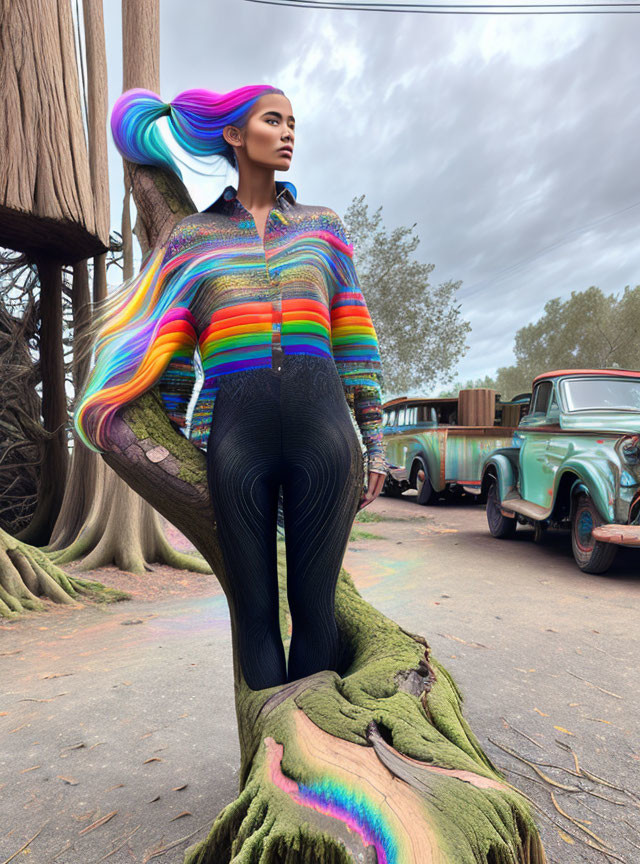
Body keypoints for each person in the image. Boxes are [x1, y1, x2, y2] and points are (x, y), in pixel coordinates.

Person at [74, 84, 388, 691]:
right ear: (235, 136)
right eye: (275, 120)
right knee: (254, 619)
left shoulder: (324, 228)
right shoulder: (194, 237)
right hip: (234, 443)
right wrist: (175, 437)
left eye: (294, 122)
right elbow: (172, 350)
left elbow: (354, 338)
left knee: (315, 609)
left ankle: (311, 753)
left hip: (326, 438)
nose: (290, 132)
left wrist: (373, 437)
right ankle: (273, 744)